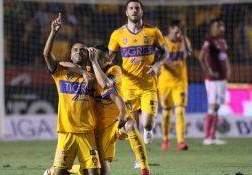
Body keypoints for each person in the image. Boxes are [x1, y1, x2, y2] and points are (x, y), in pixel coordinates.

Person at [57, 45, 151, 175]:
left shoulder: (115, 70)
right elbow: (62, 63)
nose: (98, 60)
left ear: (108, 60)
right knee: (100, 172)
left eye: (100, 58)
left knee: (131, 125)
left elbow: (107, 86)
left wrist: (123, 115)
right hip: (101, 128)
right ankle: (61, 170)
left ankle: (144, 167)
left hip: (118, 121)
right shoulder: (89, 72)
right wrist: (83, 72)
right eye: (95, 57)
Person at [108, 0, 169, 168]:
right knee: (132, 126)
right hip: (128, 87)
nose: (134, 10)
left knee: (147, 123)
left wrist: (156, 65)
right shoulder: (117, 34)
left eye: (137, 8)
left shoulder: (153, 31)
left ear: (141, 11)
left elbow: (165, 53)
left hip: (148, 85)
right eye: (131, 8)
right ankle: (139, 159)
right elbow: (110, 58)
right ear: (126, 12)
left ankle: (148, 130)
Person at [42, 13, 101, 175]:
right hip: (66, 131)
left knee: (95, 173)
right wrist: (53, 32)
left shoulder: (94, 73)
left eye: (83, 50)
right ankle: (54, 171)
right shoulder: (61, 71)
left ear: (87, 54)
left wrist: (88, 73)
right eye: (75, 50)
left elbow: (99, 85)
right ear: (70, 54)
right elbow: (47, 55)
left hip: (87, 132)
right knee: (60, 173)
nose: (79, 52)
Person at [158, 19, 192, 151]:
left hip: (180, 82)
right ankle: (165, 140)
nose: (178, 34)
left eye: (180, 31)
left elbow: (186, 54)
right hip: (165, 82)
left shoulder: (184, 40)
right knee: (166, 113)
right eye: (177, 31)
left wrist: (183, 36)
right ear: (170, 29)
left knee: (180, 111)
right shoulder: (163, 42)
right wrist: (170, 64)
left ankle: (181, 141)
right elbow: (161, 60)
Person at [198, 18, 231, 145]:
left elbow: (225, 57)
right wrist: (208, 70)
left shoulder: (222, 40)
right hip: (213, 80)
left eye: (222, 25)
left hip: (222, 78)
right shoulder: (209, 40)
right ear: (213, 28)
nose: (221, 28)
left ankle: (213, 136)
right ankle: (207, 137)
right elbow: (201, 57)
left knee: (217, 106)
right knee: (212, 106)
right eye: (218, 26)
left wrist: (228, 68)